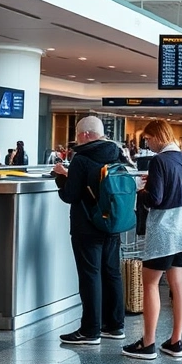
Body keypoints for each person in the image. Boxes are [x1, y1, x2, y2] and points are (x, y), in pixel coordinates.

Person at [123, 120, 182, 360]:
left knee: (150, 284)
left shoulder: (159, 161)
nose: (147, 143)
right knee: (178, 284)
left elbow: (155, 199)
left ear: (157, 136)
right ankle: (176, 341)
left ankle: (148, 343)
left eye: (148, 139)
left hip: (163, 231)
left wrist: (141, 192)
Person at [52, 116, 127, 345]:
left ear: (84, 135)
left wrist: (60, 177)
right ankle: (115, 325)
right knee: (111, 272)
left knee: (90, 275)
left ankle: (90, 330)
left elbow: (70, 195)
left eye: (77, 135)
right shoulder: (116, 153)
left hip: (87, 225)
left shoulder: (82, 158)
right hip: (113, 222)